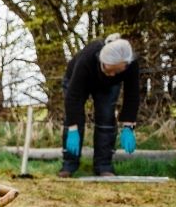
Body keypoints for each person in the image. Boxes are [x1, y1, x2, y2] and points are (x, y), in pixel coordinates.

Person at [58, 33, 139, 178]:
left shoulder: (130, 64)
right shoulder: (87, 59)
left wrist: (128, 126)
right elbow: (73, 98)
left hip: (107, 88)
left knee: (106, 117)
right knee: (75, 122)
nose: (113, 75)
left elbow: (132, 94)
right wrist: (72, 129)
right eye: (109, 70)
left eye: (118, 71)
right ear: (102, 60)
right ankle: (69, 165)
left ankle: (104, 166)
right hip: (76, 82)